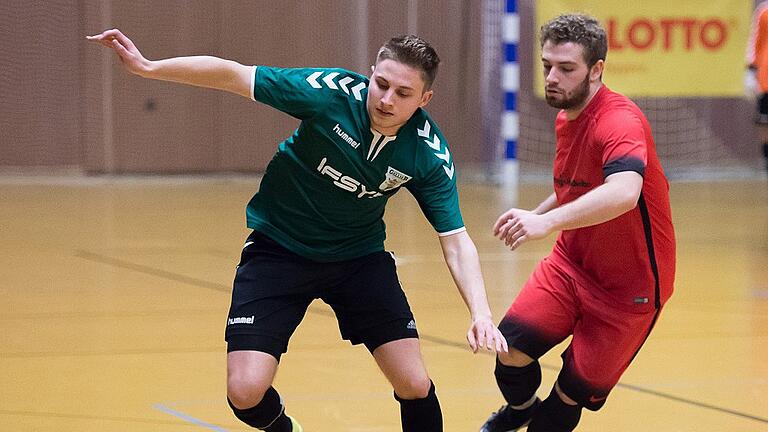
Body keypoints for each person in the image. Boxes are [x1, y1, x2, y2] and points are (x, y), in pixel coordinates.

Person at [87, 29, 508, 432]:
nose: (385, 99)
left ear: (425, 98)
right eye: (381, 84)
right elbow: (235, 73)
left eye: (402, 93)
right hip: (278, 249)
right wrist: (149, 68)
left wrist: (481, 313)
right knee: (245, 392)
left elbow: (455, 240)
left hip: (358, 259)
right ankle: (283, 427)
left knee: (414, 384)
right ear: (371, 73)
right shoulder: (328, 93)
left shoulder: (427, 153)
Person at [479, 14, 676, 432]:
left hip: (629, 290)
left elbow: (624, 192)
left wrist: (547, 223)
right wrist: (538, 213)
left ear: (597, 69)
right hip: (572, 264)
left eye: (566, 69)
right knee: (510, 351)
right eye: (547, 65)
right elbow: (578, 185)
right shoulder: (566, 114)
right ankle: (519, 410)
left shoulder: (618, 120)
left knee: (568, 397)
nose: (553, 77)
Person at [747, 0, 768, 177]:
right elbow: (756, 43)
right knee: (764, 123)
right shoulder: (764, 11)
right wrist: (751, 71)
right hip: (766, 79)